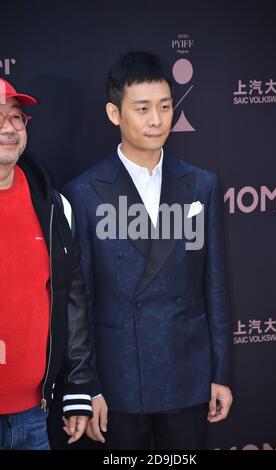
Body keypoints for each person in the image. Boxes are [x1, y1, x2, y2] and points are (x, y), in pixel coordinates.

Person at [63, 50, 233, 450]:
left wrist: (221, 372)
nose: (156, 120)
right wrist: (88, 386)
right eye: (142, 109)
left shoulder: (201, 185)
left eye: (165, 106)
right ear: (114, 113)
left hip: (187, 375)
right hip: (118, 380)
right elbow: (79, 300)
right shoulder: (84, 193)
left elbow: (216, 288)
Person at [0, 78, 94, 450]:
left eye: (16, 117)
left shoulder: (53, 205)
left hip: (34, 417)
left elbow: (71, 302)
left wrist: (77, 388)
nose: (8, 128)